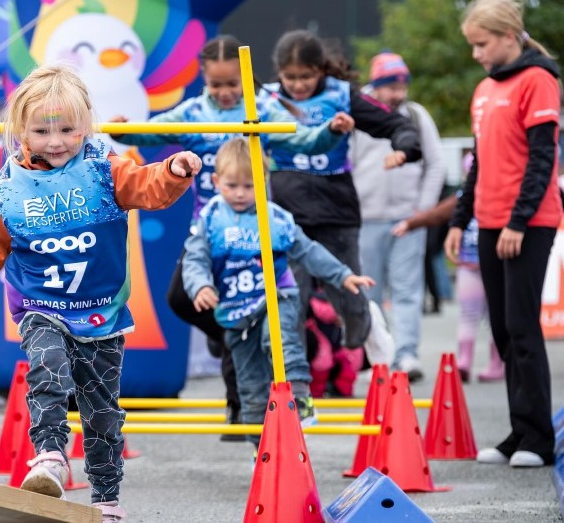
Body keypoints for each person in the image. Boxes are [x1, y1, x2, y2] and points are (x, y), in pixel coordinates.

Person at [0, 64, 202, 521]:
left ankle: (106, 500)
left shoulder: (103, 170)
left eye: (68, 130)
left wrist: (173, 170)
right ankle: (50, 456)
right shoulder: (8, 188)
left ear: (86, 126)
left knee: (102, 412)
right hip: (41, 306)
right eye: (42, 131)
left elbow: (148, 187)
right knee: (48, 368)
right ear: (21, 132)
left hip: (100, 312)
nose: (55, 142)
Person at [111, 34, 354, 436]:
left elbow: (304, 138)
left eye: (232, 85)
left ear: (245, 80)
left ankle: (242, 414)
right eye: (216, 84)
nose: (225, 92)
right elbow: (150, 131)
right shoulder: (193, 112)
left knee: (242, 320)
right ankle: (234, 341)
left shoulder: (261, 109)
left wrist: (331, 131)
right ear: (204, 79)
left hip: (253, 233)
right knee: (186, 300)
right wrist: (124, 132)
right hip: (210, 230)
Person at [181, 138, 373, 446]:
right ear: (216, 182)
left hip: (275, 295)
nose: (241, 193)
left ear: (264, 181)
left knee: (280, 339)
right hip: (235, 309)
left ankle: (300, 396)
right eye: (232, 185)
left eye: (249, 185)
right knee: (250, 381)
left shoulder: (275, 217)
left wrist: (342, 275)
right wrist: (200, 284)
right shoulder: (211, 218)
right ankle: (260, 448)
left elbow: (308, 250)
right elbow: (195, 258)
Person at [263, 30, 419, 384]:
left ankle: (365, 324)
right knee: (291, 301)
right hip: (288, 216)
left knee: (348, 298)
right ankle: (293, 383)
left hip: (336, 212)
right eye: (290, 77)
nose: (298, 85)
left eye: (306, 76)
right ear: (278, 73)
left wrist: (404, 148)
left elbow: (395, 123)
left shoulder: (341, 96)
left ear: (321, 70)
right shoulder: (266, 100)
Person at [446, 0, 562, 468]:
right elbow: (478, 164)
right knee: (501, 329)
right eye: (472, 45)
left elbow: (542, 159)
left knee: (521, 325)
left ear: (510, 36)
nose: (477, 53)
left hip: (529, 222)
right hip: (490, 221)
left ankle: (538, 438)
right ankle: (519, 431)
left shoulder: (538, 81)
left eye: (482, 43)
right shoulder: (485, 89)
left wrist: (519, 220)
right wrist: (459, 220)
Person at [351, 51, 446, 380]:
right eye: (391, 87)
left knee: (407, 290)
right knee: (370, 292)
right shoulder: (357, 112)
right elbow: (346, 162)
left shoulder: (415, 115)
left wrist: (423, 209)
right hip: (366, 219)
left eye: (402, 87)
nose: (398, 94)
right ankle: (377, 359)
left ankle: (406, 356)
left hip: (408, 218)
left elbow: (435, 162)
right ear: (376, 85)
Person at [393, 154, 504, 383]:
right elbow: (438, 214)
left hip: (489, 264)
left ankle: (486, 362)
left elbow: (438, 214)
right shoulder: (467, 197)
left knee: (486, 316)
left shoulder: (489, 195)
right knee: (483, 315)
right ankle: (472, 362)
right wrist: (411, 223)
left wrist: (411, 223)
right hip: (472, 265)